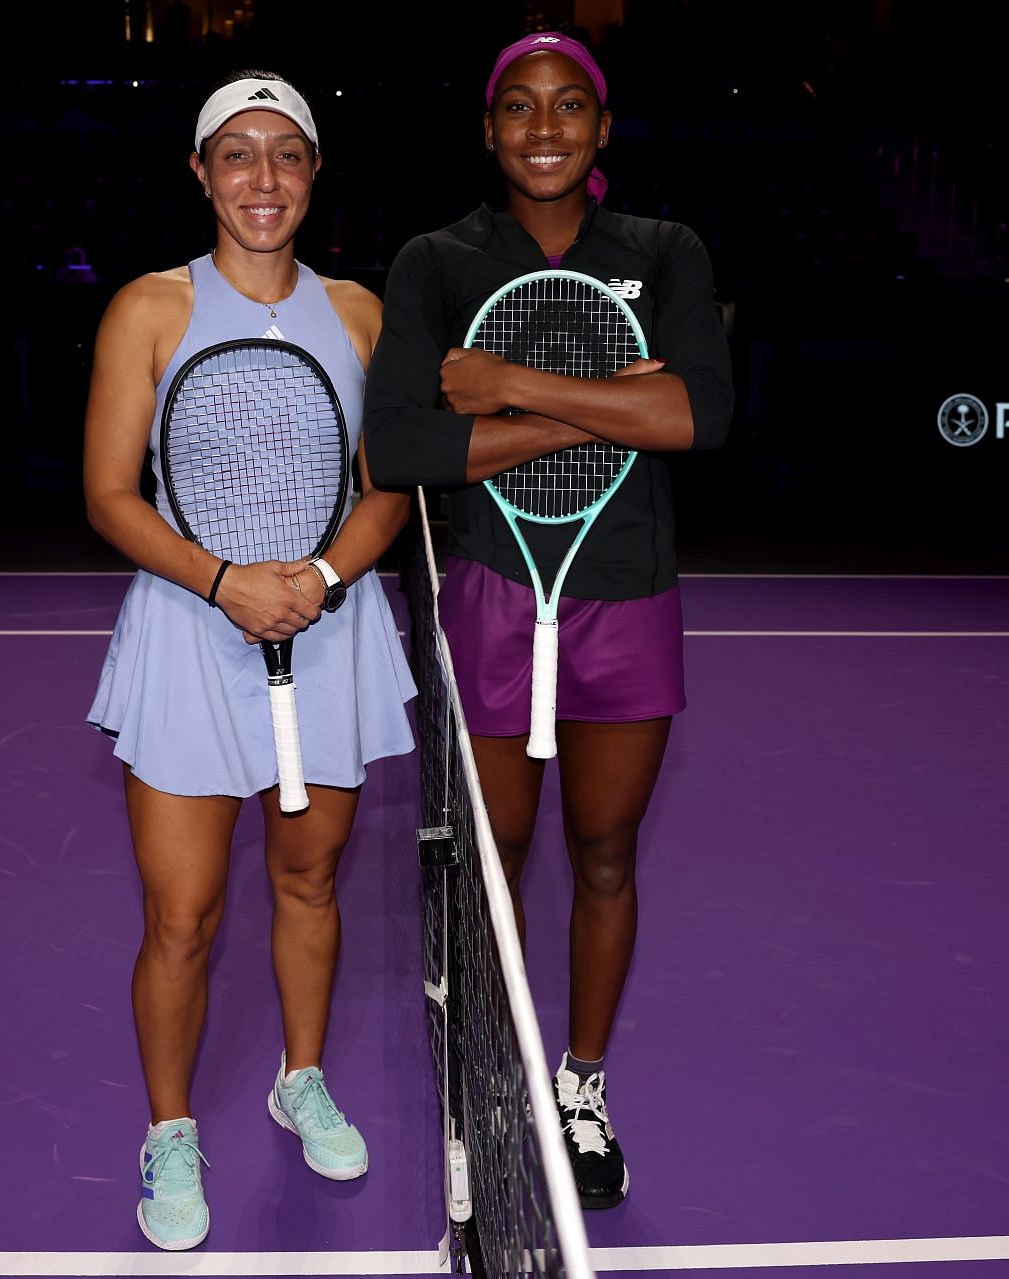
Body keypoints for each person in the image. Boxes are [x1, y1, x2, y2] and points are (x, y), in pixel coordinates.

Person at [363, 32, 732, 1210]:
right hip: (492, 588)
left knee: (607, 852)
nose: (544, 126)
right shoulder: (435, 261)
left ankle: (580, 1083)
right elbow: (406, 446)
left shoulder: (665, 252)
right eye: (518, 107)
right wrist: (623, 409)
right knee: (494, 860)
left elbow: (702, 415)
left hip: (628, 591)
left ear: (603, 128)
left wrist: (513, 388)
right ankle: (500, 1061)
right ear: (488, 129)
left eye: (570, 105)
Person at [83, 71, 415, 1251]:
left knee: (310, 881)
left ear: (314, 173)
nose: (261, 178)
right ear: (199, 172)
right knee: (181, 915)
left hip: (328, 632)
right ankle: (170, 1130)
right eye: (236, 154)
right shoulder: (148, 311)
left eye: (285, 154)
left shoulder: (364, 314)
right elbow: (110, 496)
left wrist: (316, 582)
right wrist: (225, 582)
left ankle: (301, 1074)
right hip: (189, 630)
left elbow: (389, 492)